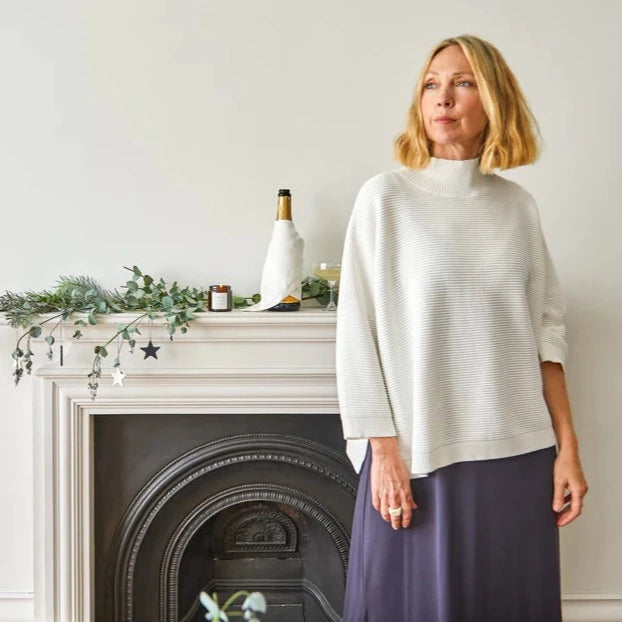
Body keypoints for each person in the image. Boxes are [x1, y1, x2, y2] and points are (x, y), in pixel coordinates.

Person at [335, 34, 589, 622]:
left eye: (463, 83)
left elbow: (546, 337)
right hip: (420, 455)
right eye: (431, 84)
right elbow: (356, 334)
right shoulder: (385, 199)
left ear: (493, 100)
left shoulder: (517, 207)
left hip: (519, 456)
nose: (442, 97)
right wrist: (382, 451)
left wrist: (569, 452)